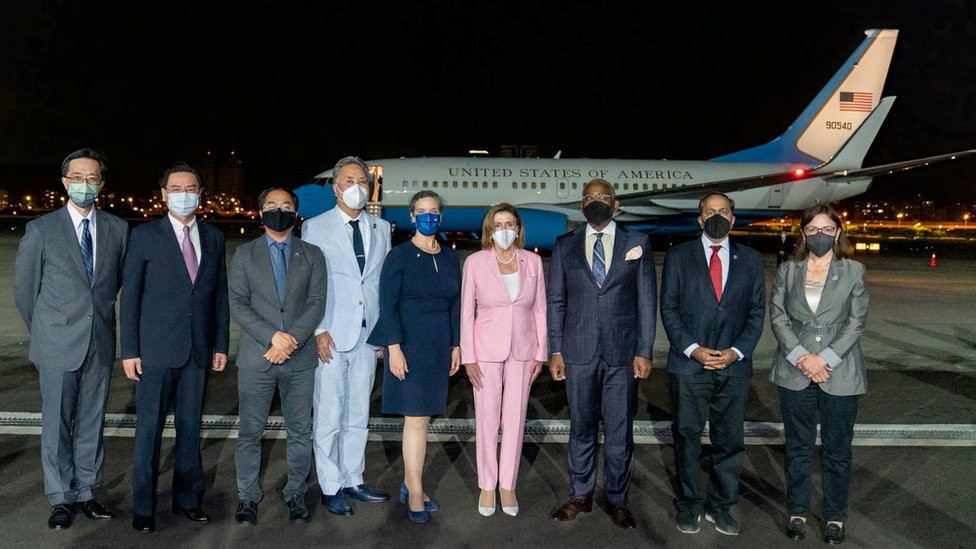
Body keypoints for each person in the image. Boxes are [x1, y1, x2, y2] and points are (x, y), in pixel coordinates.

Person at [14, 148, 128, 530]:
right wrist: (47, 333)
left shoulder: (117, 228)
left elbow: (115, 286)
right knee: (57, 424)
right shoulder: (41, 229)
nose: (84, 184)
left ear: (102, 185)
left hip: (99, 342)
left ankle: (87, 491)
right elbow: (25, 293)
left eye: (91, 178)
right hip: (57, 344)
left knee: (92, 422)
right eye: (77, 178)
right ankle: (60, 497)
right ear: (64, 182)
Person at [120, 162, 230, 533]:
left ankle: (189, 499)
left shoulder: (213, 237)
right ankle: (145, 507)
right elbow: (130, 297)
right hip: (154, 351)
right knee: (148, 432)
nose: (185, 194)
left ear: (200, 193)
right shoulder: (145, 235)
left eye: (192, 188)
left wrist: (220, 343)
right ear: (164, 194)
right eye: (177, 188)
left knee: (189, 429)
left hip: (198, 351)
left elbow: (219, 298)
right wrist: (130, 349)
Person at [547, 179, 656, 530]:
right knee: (580, 427)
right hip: (577, 352)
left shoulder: (636, 243)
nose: (596, 202)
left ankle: (617, 498)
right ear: (581, 206)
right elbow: (556, 301)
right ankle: (580, 493)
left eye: (603, 197)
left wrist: (644, 350)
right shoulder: (565, 245)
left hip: (622, 353)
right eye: (590, 198)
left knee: (620, 430)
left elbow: (646, 301)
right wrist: (555, 350)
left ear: (616, 203)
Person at [659, 192, 765, 536]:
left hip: (734, 367)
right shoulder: (678, 256)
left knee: (730, 441)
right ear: (700, 219)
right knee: (687, 438)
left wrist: (737, 351)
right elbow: (669, 309)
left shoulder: (751, 259)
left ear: (733, 219)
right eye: (709, 212)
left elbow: (756, 313)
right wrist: (693, 349)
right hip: (689, 366)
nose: (716, 216)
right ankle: (689, 505)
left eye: (723, 211)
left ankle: (720, 507)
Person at [769, 203, 868, 545]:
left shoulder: (854, 270)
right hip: (795, 369)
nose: (820, 235)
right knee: (797, 447)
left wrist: (824, 358)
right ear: (803, 234)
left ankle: (835, 516)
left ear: (838, 232)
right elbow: (778, 316)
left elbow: (856, 322)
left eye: (827, 229)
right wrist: (801, 357)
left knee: (837, 449)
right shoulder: (789, 270)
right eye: (813, 230)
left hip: (838, 371)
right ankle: (797, 510)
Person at [229, 188, 326, 525]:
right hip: (258, 357)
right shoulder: (244, 254)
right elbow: (238, 303)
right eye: (272, 205)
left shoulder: (312, 254)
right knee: (250, 432)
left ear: (295, 213)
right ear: (261, 211)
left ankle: (296, 492)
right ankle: (247, 497)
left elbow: (316, 303)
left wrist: (291, 341)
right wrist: (273, 336)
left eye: (286, 206)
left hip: (299, 360)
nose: (279, 211)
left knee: (300, 431)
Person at [302, 156, 392, 516]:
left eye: (363, 180)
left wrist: (383, 331)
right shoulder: (315, 227)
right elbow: (311, 283)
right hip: (332, 334)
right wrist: (318, 330)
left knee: (358, 411)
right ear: (337, 187)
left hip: (368, 335)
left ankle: (353, 477)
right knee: (328, 412)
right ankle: (329, 484)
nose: (357, 186)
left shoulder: (382, 228)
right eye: (350, 180)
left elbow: (380, 283)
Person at [366, 190, 461, 524]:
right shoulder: (400, 256)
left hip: (439, 345)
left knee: (426, 417)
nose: (429, 217)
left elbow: (455, 305)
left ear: (441, 215)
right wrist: (393, 347)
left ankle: (410, 483)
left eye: (434, 211)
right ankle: (416, 490)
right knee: (416, 419)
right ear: (411, 217)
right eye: (422, 211)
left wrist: (456, 345)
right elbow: (386, 304)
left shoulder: (451, 257)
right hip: (408, 344)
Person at [460, 204, 547, 518]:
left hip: (523, 350)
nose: (505, 229)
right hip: (485, 351)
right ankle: (487, 483)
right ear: (489, 229)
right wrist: (469, 357)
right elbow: (467, 312)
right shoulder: (475, 262)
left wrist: (541, 352)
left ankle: (507, 483)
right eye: (498, 224)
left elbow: (539, 309)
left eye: (510, 223)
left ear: (519, 228)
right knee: (487, 419)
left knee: (516, 418)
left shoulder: (533, 262)